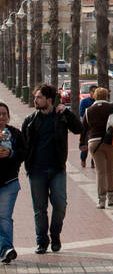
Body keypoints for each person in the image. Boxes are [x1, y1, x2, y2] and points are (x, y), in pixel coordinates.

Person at [20, 83, 82, 253]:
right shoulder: (30, 120)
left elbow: (78, 129)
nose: (35, 100)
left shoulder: (60, 117)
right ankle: (41, 241)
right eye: (35, 97)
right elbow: (23, 145)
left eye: (39, 97)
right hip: (36, 171)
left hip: (57, 170)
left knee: (60, 205)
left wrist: (67, 112)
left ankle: (55, 235)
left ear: (49, 100)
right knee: (39, 209)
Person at [81, 88, 113, 210]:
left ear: (95, 96)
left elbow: (84, 129)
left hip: (94, 143)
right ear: (107, 96)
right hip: (111, 142)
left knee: (100, 171)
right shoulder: (112, 107)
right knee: (110, 170)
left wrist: (82, 144)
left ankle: (101, 200)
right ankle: (111, 197)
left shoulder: (88, 111)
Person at [0, 101, 23, 264]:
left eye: (4, 114)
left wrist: (11, 153)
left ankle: (6, 249)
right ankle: (5, 248)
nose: (1, 117)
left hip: (9, 182)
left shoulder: (15, 133)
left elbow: (24, 153)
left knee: (4, 217)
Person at [79, 84, 97, 169]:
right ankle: (83, 159)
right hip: (86, 127)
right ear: (90, 92)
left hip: (95, 128)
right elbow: (81, 113)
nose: (95, 94)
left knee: (95, 146)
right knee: (85, 147)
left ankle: (94, 163)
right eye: (94, 92)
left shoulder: (98, 102)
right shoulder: (84, 101)